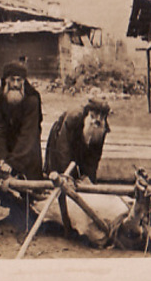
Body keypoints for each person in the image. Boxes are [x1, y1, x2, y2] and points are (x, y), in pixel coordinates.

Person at [0, 61, 44, 234]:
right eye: (11, 80)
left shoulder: (32, 100)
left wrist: (12, 163)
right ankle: (14, 214)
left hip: (27, 148)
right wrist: (0, 159)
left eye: (19, 80)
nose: (15, 84)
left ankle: (28, 218)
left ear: (24, 81)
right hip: (6, 147)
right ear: (4, 80)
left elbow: (28, 135)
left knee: (27, 183)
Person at [44, 99, 111, 237]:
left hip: (82, 149)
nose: (96, 121)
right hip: (61, 143)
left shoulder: (102, 129)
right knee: (62, 184)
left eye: (101, 118)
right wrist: (66, 176)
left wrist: (89, 177)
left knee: (85, 184)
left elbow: (95, 157)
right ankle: (66, 225)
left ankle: (84, 220)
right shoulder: (73, 118)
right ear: (87, 114)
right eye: (93, 117)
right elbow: (63, 150)